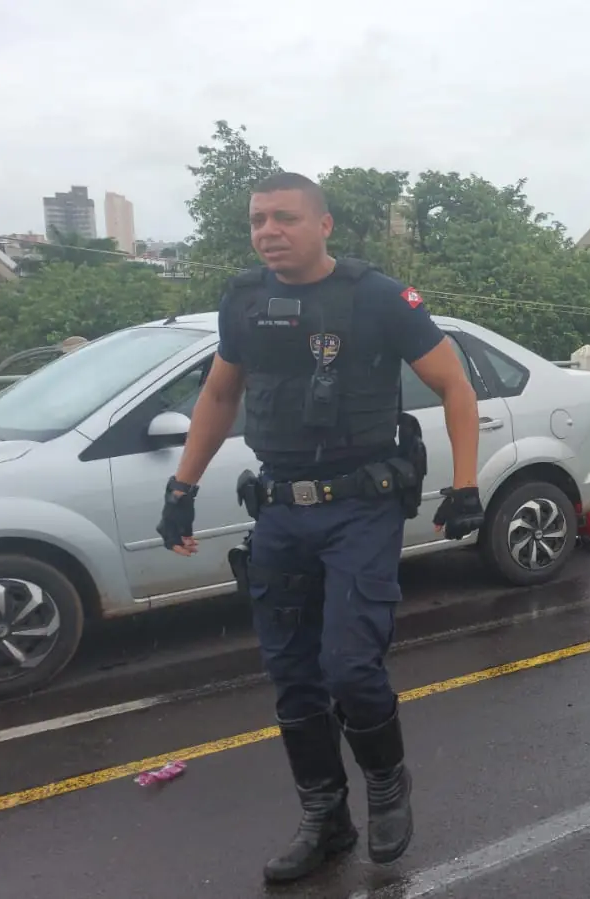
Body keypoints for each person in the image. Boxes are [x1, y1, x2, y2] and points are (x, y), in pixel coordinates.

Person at [153, 172, 484, 884]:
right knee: (293, 677)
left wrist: (465, 485)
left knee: (349, 665)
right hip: (277, 511)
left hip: (359, 507)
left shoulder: (377, 296)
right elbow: (219, 391)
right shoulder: (244, 300)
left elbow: (455, 385)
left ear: (324, 224)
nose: (268, 231)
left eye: (284, 218)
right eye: (257, 219)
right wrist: (180, 486)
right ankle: (324, 817)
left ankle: (387, 783)